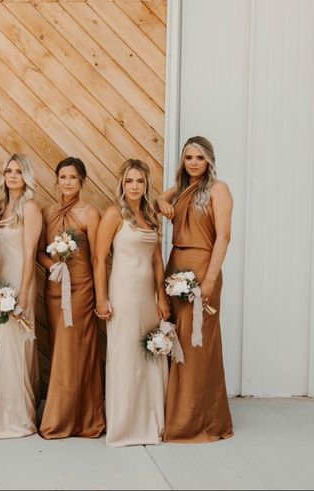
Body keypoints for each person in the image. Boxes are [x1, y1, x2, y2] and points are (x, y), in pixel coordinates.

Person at [157, 136, 234, 442]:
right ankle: (174, 413)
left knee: (197, 344)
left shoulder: (218, 189)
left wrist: (210, 281)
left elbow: (224, 237)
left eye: (199, 158)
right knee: (174, 339)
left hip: (202, 270)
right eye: (188, 157)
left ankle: (198, 421)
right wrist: (163, 202)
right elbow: (157, 202)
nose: (193, 163)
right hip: (174, 266)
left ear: (209, 161)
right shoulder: (179, 188)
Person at [94, 159, 169, 447]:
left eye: (139, 181)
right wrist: (102, 297)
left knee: (150, 355)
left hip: (147, 298)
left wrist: (161, 296)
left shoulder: (151, 215)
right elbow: (99, 259)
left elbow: (157, 260)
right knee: (125, 356)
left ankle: (151, 419)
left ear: (146, 184)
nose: (134, 186)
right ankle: (125, 424)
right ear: (122, 184)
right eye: (129, 181)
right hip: (123, 294)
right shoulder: (114, 214)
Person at [38, 157, 105, 439]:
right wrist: (51, 265)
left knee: (79, 349)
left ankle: (83, 418)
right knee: (59, 350)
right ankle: (64, 412)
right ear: (56, 180)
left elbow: (97, 258)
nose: (67, 182)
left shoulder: (90, 213)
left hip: (81, 288)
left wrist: (101, 296)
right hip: (54, 288)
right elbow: (40, 251)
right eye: (62, 177)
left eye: (73, 178)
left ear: (82, 182)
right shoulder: (47, 211)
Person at [0, 154, 41, 440]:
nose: (13, 175)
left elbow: (30, 253)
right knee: (5, 348)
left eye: (19, 171)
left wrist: (24, 294)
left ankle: (20, 418)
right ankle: (4, 413)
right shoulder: (1, 207)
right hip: (1, 284)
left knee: (19, 349)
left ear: (26, 175)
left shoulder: (29, 208)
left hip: (21, 283)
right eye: (8, 170)